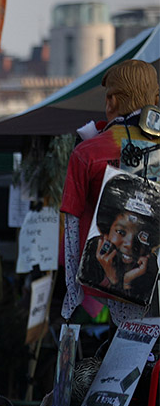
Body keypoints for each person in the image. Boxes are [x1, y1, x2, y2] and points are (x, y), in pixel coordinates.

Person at [61, 59, 160, 325]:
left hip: (108, 286)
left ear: (111, 102)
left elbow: (71, 226)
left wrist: (73, 291)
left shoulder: (87, 152)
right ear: (157, 99)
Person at [78, 193, 159, 302]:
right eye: (120, 232)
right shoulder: (90, 255)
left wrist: (120, 281)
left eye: (142, 236)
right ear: (106, 230)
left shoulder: (150, 268)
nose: (129, 244)